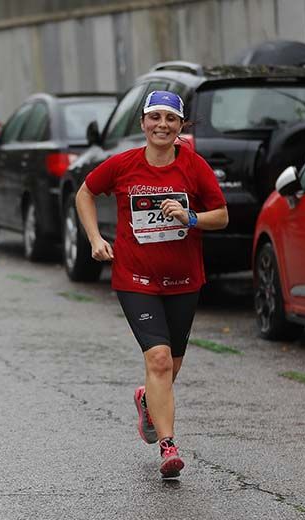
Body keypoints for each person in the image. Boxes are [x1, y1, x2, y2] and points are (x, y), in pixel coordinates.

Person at [75, 90, 228, 478]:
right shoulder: (124, 164)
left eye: (170, 119)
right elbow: (86, 193)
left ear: (180, 126)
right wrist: (95, 238)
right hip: (135, 278)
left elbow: (222, 215)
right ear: (143, 123)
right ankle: (168, 446)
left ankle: (147, 400)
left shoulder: (193, 166)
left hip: (184, 279)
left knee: (170, 367)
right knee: (157, 359)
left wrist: (190, 218)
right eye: (155, 117)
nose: (162, 125)